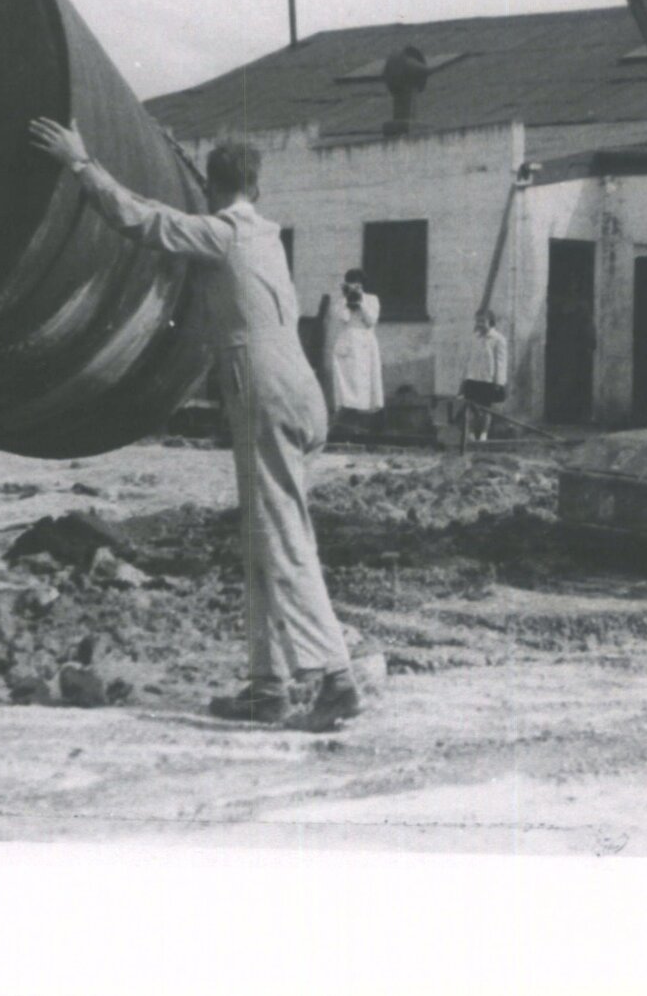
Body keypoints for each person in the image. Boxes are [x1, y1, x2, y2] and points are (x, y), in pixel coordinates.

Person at [28, 117, 363, 731]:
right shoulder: (262, 235)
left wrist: (81, 164)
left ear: (213, 189)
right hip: (297, 387)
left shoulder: (223, 235)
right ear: (255, 188)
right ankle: (269, 687)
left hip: (261, 386)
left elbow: (143, 219)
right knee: (268, 537)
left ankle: (335, 677)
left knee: (281, 540)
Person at [325, 267, 384, 425]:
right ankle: (347, 411)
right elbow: (343, 318)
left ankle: (364, 414)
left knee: (364, 378)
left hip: (365, 342)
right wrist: (347, 300)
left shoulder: (372, 299)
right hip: (348, 340)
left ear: (362, 285)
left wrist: (360, 303)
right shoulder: (341, 302)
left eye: (357, 285)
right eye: (351, 285)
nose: (354, 288)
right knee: (348, 379)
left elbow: (371, 320)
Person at [459, 309, 510, 441]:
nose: (479, 324)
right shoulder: (474, 338)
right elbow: (468, 360)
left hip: (487, 380)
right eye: (477, 321)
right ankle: (470, 434)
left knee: (485, 409)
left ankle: (483, 434)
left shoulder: (498, 339)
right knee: (470, 407)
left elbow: (501, 362)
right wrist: (464, 378)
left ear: (490, 322)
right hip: (472, 377)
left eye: (482, 321)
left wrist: (499, 382)